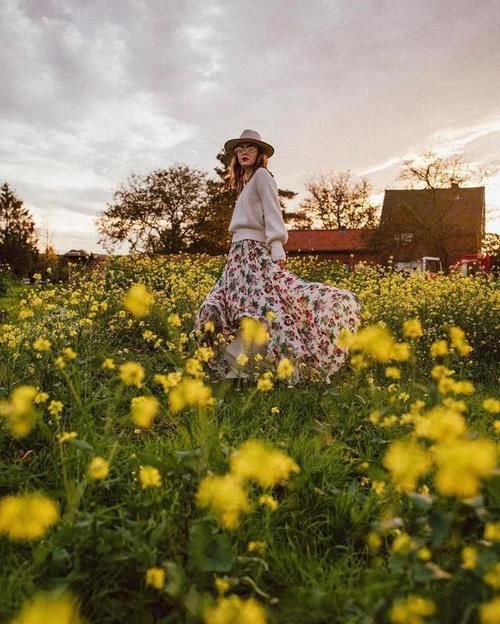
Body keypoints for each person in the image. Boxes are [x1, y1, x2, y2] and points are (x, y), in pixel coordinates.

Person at [191, 129, 361, 384]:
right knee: (232, 307)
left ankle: (276, 366)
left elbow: (273, 212)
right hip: (238, 254)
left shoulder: (262, 177)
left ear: (259, 153)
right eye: (240, 149)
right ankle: (240, 368)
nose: (244, 152)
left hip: (253, 253)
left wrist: (277, 245)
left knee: (264, 308)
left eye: (250, 147)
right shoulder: (246, 183)